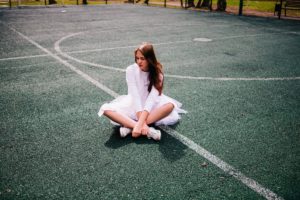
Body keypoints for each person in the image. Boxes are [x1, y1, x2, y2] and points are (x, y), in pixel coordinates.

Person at [98, 42, 186, 141]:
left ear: (150, 59)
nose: (139, 61)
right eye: (137, 58)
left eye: (142, 59)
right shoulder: (130, 70)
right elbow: (135, 97)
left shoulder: (158, 74)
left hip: (152, 107)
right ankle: (147, 130)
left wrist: (140, 124)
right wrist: (141, 125)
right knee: (105, 109)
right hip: (134, 105)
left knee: (170, 106)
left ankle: (130, 127)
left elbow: (151, 100)